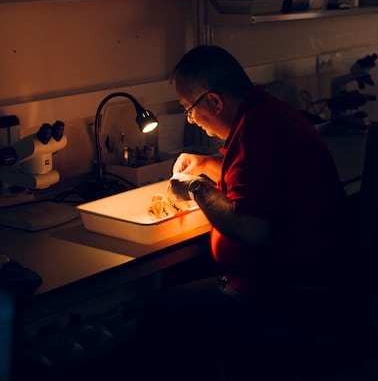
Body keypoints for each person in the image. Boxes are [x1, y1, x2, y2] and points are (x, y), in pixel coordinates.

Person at [135, 45, 361, 380]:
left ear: (214, 102)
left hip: (282, 294)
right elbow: (257, 177)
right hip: (288, 278)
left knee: (155, 311)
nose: (192, 120)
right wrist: (209, 165)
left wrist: (198, 189)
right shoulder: (264, 115)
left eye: (189, 110)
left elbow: (251, 229)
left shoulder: (258, 132)